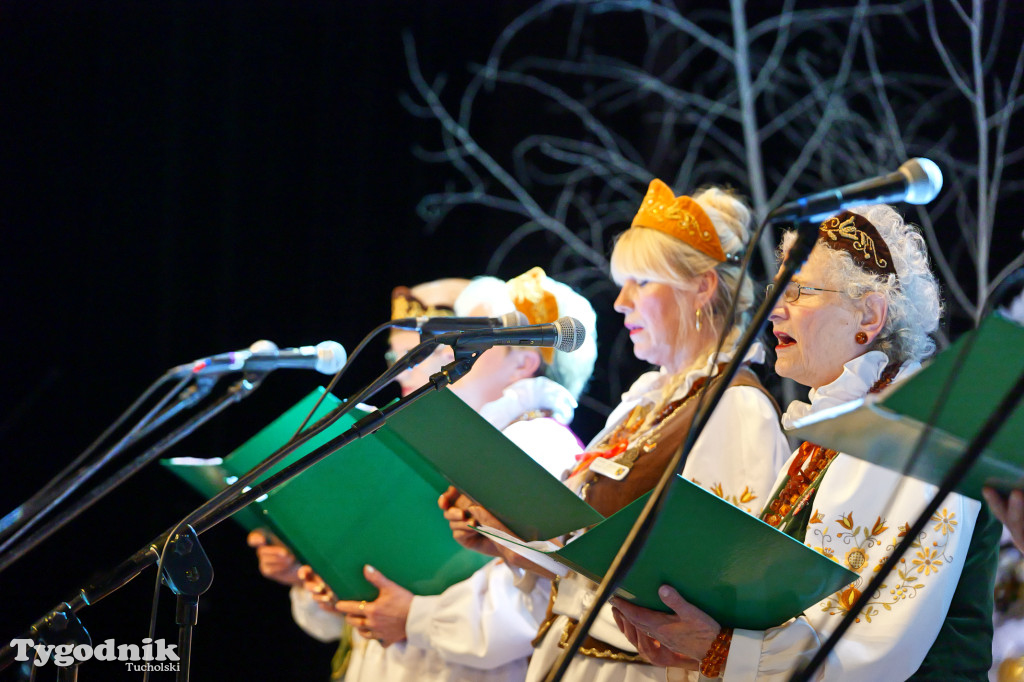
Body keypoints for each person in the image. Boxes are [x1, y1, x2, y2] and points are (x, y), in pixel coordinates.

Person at [612, 206, 1001, 680]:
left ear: (869, 315)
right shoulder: (834, 429)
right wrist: (699, 649)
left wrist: (719, 650)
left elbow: (872, 650)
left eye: (798, 291)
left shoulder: (917, 436)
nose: (774, 308)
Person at [455, 179, 790, 682]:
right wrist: (513, 541)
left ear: (702, 287)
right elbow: (584, 554)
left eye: (642, 281)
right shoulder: (642, 407)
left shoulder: (735, 407)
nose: (620, 302)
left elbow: (722, 591)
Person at [298, 267, 600, 682]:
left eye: (476, 344)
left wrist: (415, 618)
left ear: (524, 363)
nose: (457, 355)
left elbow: (536, 602)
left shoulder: (539, 444)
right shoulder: (478, 442)